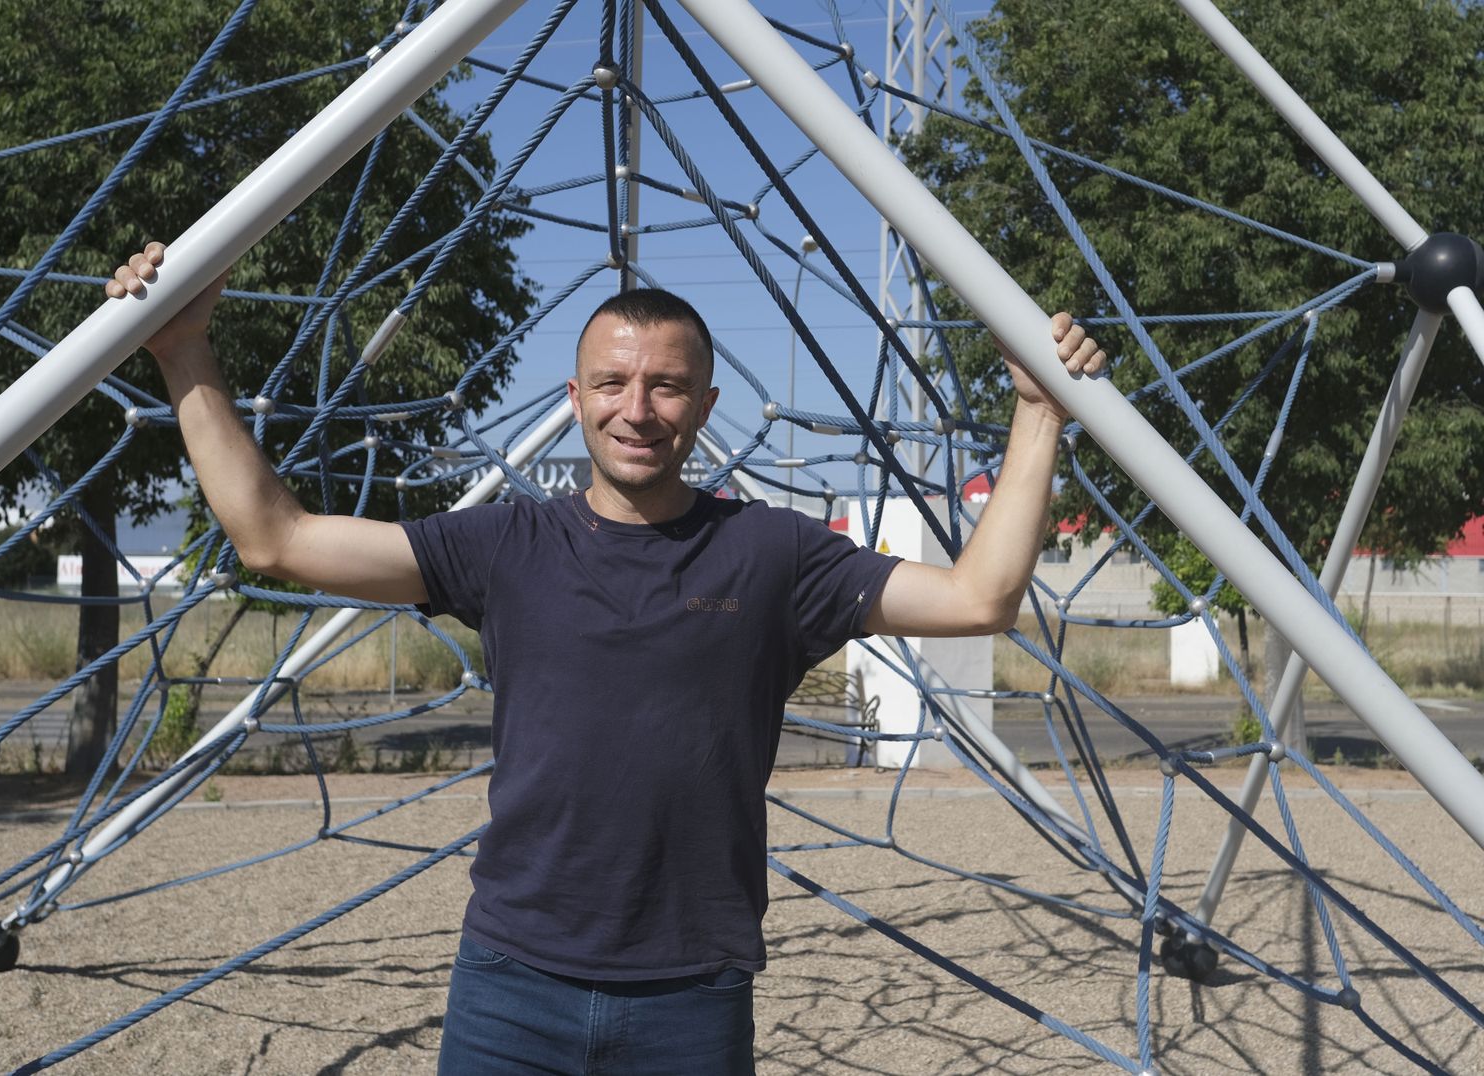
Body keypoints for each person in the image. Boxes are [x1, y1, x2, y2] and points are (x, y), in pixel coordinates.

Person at [107, 241, 1106, 1074]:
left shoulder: (771, 553)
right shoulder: (505, 544)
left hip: (690, 990)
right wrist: (182, 348)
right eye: (614, 382)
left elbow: (981, 598)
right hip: (511, 983)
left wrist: (1037, 409)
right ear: (577, 395)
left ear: (705, 401)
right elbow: (274, 537)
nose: (639, 407)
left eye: (666, 384)